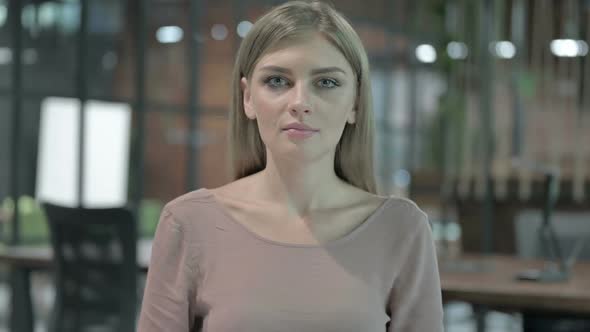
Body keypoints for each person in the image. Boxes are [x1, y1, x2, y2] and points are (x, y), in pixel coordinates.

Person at [137, 1, 443, 331]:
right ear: (247, 98)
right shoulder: (189, 223)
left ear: (355, 102)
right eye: (277, 81)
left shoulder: (402, 230)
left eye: (326, 83)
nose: (300, 102)